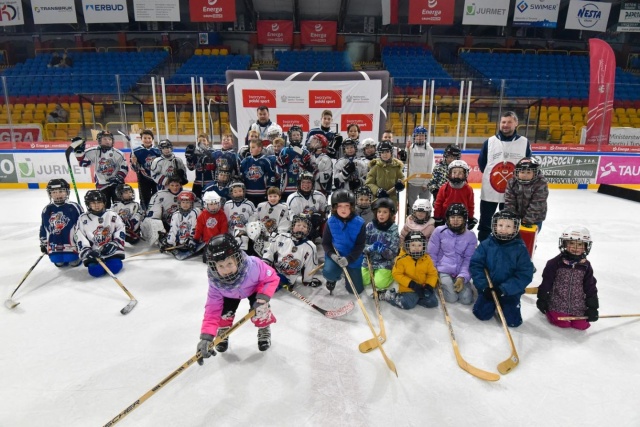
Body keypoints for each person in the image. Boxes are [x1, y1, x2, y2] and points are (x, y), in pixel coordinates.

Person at [196, 234, 279, 361]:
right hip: (229, 294)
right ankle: (223, 330)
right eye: (220, 266)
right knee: (223, 312)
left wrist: (263, 296)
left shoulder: (254, 265)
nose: (226, 270)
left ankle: (264, 328)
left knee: (260, 309)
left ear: (237, 258)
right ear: (213, 266)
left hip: (254, 290)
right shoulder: (215, 282)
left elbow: (272, 277)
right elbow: (212, 310)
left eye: (229, 263)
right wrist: (206, 337)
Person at [470, 210, 534, 327]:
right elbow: (476, 265)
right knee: (481, 314)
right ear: (495, 225)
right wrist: (484, 287)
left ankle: (509, 303)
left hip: (509, 291)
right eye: (500, 225)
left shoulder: (520, 249)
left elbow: (525, 274)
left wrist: (504, 289)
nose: (503, 229)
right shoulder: (486, 244)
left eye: (508, 226)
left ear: (515, 229)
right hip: (489, 288)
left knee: (513, 322)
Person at [477, 111, 531, 241]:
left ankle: (506, 246)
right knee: (485, 222)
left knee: (509, 222)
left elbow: (528, 166)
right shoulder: (489, 142)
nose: (505, 125)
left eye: (509, 122)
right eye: (503, 122)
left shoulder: (524, 143)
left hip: (513, 192)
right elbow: (482, 164)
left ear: (516, 123)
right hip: (490, 191)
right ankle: (484, 246)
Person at [536, 226, 598, 330]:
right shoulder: (555, 263)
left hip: (578, 305)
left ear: (586, 247)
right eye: (572, 243)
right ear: (564, 244)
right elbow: (547, 282)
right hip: (557, 303)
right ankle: (552, 313)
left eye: (580, 244)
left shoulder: (586, 266)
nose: (575, 248)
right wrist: (542, 299)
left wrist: (593, 307)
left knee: (582, 326)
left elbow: (590, 287)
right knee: (563, 323)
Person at [427, 203, 477, 305]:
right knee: (451, 298)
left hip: (460, 271)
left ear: (464, 219)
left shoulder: (470, 236)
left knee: (466, 300)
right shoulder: (439, 231)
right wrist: (434, 272)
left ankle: (463, 286)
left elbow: (468, 259)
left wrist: (462, 277)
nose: (455, 220)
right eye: (452, 217)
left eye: (459, 217)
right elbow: (432, 254)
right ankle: (443, 286)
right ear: (448, 218)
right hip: (443, 269)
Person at [322, 189, 366, 295]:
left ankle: (348, 274)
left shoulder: (360, 223)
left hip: (353, 257)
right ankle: (333, 277)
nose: (343, 209)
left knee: (355, 290)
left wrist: (349, 259)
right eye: (340, 206)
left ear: (351, 206)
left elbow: (360, 245)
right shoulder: (330, 222)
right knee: (329, 272)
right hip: (336, 255)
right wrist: (333, 256)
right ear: (334, 207)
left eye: (346, 205)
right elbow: (326, 243)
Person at [263, 214, 320, 291]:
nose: (301, 227)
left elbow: (310, 265)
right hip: (272, 269)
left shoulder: (310, 247)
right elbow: (270, 250)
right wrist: (265, 263)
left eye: (304, 226)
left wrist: (307, 280)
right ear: (293, 226)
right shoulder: (281, 237)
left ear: (308, 230)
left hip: (287, 276)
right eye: (298, 225)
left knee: (268, 287)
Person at [75, 190, 126, 278]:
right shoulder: (83, 219)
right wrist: (87, 251)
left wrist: (115, 243)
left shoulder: (112, 215)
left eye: (99, 202)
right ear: (88, 204)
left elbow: (120, 229)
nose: (97, 205)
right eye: (93, 203)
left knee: (115, 267)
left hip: (110, 249)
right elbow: (80, 236)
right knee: (95, 271)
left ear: (104, 203)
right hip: (94, 252)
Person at [73, 131, 128, 209]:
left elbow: (124, 167)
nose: (107, 141)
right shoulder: (93, 151)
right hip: (101, 185)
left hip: (117, 185)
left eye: (109, 139)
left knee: (119, 206)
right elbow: (84, 163)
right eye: (104, 139)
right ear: (99, 140)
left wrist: (118, 177)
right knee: (104, 207)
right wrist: (79, 153)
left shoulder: (118, 153)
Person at [385, 232, 439, 309]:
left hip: (422, 286)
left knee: (433, 302)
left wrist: (429, 286)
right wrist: (411, 284)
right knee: (407, 304)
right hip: (408, 287)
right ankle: (390, 295)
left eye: (419, 245)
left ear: (424, 246)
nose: (416, 248)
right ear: (407, 246)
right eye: (413, 245)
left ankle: (416, 298)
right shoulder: (401, 259)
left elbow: (432, 274)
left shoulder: (427, 259)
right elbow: (396, 274)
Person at [39, 179, 84, 267]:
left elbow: (83, 226)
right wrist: (43, 243)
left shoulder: (74, 207)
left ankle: (74, 255)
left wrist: (84, 243)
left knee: (72, 261)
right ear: (50, 194)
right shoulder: (47, 209)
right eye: (54, 192)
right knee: (58, 262)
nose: (58, 194)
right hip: (54, 244)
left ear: (67, 192)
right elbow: (44, 227)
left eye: (61, 191)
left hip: (72, 244)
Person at [362, 198, 400, 294]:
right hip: (369, 259)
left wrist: (383, 250)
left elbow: (393, 253)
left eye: (385, 212)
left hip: (384, 261)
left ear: (390, 214)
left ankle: (390, 274)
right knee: (363, 280)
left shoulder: (393, 229)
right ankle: (372, 272)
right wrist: (370, 248)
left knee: (380, 283)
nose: (381, 214)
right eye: (379, 212)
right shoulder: (370, 225)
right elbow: (362, 245)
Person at [504, 157, 549, 230]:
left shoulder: (541, 183)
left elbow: (537, 203)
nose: (525, 175)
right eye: (522, 172)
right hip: (516, 217)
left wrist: (528, 219)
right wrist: (511, 216)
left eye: (528, 172)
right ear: (517, 172)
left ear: (535, 173)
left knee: (529, 238)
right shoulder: (512, 182)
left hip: (535, 219)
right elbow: (509, 201)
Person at [433, 160, 476, 229]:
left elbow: (471, 205)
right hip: (445, 218)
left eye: (460, 173)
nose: (457, 175)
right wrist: (437, 217)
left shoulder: (468, 189)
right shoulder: (444, 188)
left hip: (461, 219)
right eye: (454, 172)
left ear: (466, 174)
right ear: (449, 173)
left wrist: (470, 217)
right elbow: (438, 204)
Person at [141, 175, 184, 245]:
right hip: (165, 222)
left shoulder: (187, 194)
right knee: (155, 217)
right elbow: (152, 212)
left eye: (177, 185)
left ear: (180, 185)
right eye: (172, 185)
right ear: (168, 185)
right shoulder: (159, 195)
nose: (175, 187)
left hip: (181, 221)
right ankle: (162, 236)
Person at [286, 171, 327, 241]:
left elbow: (325, 213)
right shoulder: (292, 198)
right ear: (299, 184)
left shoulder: (320, 196)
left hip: (316, 227)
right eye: (303, 182)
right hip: (300, 226)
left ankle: (325, 239)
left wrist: (321, 215)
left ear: (312, 184)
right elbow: (293, 219)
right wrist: (308, 218)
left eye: (308, 182)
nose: (306, 185)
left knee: (327, 222)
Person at [159, 191, 201, 260]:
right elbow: (173, 229)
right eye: (183, 202)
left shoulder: (195, 212)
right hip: (181, 240)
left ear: (192, 203)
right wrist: (170, 243)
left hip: (190, 238)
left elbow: (195, 228)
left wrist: (192, 241)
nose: (185, 204)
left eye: (188, 202)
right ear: (179, 203)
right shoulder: (176, 215)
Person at [277, 125, 314, 201]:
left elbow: (311, 170)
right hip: (287, 184)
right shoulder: (285, 150)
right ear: (290, 136)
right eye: (294, 135)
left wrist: (306, 164)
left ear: (301, 136)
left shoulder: (305, 151)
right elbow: (278, 168)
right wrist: (282, 164)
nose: (296, 136)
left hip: (302, 185)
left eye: (298, 135)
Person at [365, 141, 405, 208]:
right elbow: (369, 183)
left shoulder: (396, 167)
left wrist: (401, 185)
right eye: (382, 152)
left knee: (390, 216)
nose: (385, 154)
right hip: (378, 200)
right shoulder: (375, 167)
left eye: (387, 152)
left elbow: (402, 179)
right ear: (379, 154)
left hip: (392, 199)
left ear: (391, 152)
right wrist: (377, 191)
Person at [240, 139, 279, 206]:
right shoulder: (245, 161)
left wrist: (269, 190)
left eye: (253, 147)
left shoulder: (265, 161)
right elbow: (241, 175)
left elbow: (271, 176)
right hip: (248, 193)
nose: (250, 150)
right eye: (250, 147)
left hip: (262, 193)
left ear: (259, 148)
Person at [130, 129, 161, 210]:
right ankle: (145, 213)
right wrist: (134, 163)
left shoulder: (158, 151)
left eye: (149, 138)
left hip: (156, 179)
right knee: (144, 198)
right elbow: (135, 169)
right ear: (141, 139)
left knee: (157, 198)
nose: (147, 140)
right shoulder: (136, 151)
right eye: (145, 138)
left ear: (152, 139)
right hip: (143, 179)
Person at [195, 192, 229, 262]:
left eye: (215, 204)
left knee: (221, 258)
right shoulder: (202, 215)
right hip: (208, 242)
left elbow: (224, 228)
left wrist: (223, 240)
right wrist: (196, 238)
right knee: (207, 260)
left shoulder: (222, 214)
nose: (213, 206)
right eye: (211, 204)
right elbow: (199, 228)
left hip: (219, 242)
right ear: (205, 204)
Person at [406, 126, 434, 207]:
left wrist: (426, 183)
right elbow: (405, 161)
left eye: (422, 135)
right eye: (418, 135)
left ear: (425, 137)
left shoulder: (430, 149)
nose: (420, 137)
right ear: (414, 136)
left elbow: (430, 167)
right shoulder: (410, 148)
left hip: (424, 184)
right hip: (412, 182)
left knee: (425, 205)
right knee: (412, 206)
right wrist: (406, 148)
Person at [224, 180, 256, 251]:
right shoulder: (227, 204)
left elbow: (254, 218)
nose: (238, 193)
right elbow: (224, 219)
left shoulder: (249, 204)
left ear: (244, 191)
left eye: (240, 191)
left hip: (245, 234)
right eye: (235, 192)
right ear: (231, 193)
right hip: (231, 233)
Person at [185, 133, 215, 199]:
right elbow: (191, 168)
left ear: (208, 142)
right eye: (200, 140)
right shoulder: (195, 153)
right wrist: (189, 159)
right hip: (197, 183)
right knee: (196, 202)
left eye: (204, 140)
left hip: (210, 183)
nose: (202, 142)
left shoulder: (213, 152)